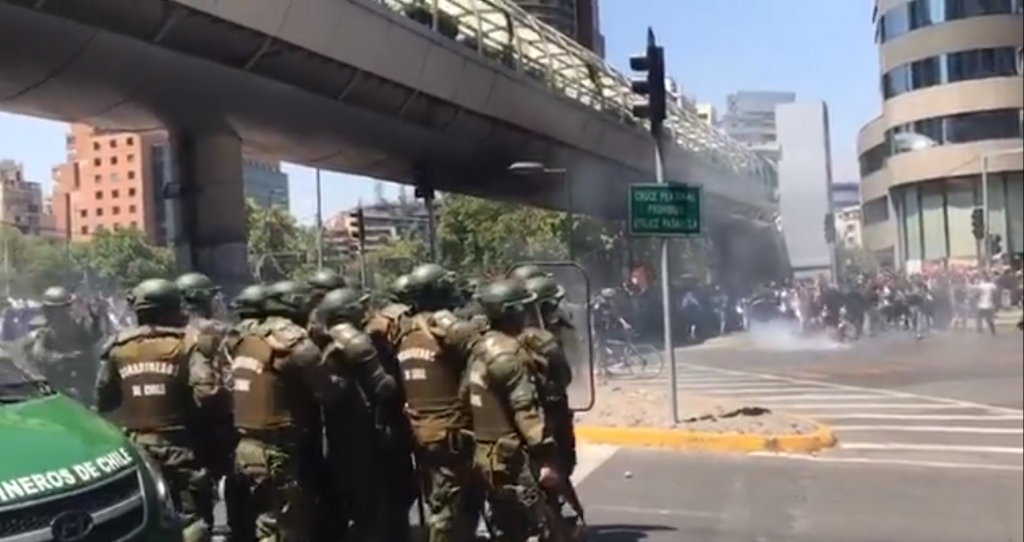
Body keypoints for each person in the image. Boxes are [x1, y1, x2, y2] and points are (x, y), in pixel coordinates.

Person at [94, 278, 224, 542]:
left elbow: (104, 398)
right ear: (172, 308)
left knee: (149, 521)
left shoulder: (119, 346)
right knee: (193, 520)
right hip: (181, 448)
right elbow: (207, 393)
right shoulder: (187, 343)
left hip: (138, 449)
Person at [226, 279, 334, 542]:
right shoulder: (293, 339)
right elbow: (326, 388)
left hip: (246, 446)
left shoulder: (245, 337)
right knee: (287, 526)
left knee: (266, 522)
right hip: (277, 450)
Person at [469, 279, 562, 541]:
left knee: (505, 526)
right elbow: (527, 411)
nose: (526, 314)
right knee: (539, 528)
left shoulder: (478, 349)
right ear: (510, 312)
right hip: (513, 460)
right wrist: (545, 459)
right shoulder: (511, 355)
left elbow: (466, 396)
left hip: (486, 455)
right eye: (521, 308)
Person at [396, 263, 482, 542]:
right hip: (451, 435)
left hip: (422, 432)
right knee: (449, 509)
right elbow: (481, 350)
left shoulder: (404, 329)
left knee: (441, 500)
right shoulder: (444, 327)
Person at [316, 287, 404, 541]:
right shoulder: (356, 340)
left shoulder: (323, 336)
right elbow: (383, 387)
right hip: (360, 431)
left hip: (335, 431)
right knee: (370, 504)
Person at [24, 286, 105, 402]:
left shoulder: (76, 325)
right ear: (48, 310)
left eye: (67, 307)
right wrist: (64, 358)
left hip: (83, 389)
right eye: (60, 309)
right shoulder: (42, 330)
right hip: (56, 391)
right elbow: (39, 354)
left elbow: (92, 338)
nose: (65, 312)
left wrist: (96, 320)